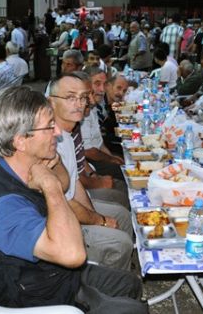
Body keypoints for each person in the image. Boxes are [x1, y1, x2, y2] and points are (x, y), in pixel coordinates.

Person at [0, 86, 146, 312]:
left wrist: (51, 174)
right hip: (32, 298)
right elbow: (73, 255)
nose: (58, 132)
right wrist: (50, 186)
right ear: (21, 140)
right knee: (134, 310)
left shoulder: (17, 159)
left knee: (130, 284)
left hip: (49, 275)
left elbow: (65, 180)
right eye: (49, 126)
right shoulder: (2, 207)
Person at [48, 73, 133, 270]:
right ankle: (108, 283)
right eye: (70, 97)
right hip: (60, 220)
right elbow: (63, 202)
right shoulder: (50, 140)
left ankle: (122, 272)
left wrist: (95, 216)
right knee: (120, 243)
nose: (78, 103)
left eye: (83, 97)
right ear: (51, 102)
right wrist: (99, 221)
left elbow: (75, 182)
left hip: (74, 206)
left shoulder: (67, 134)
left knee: (122, 215)